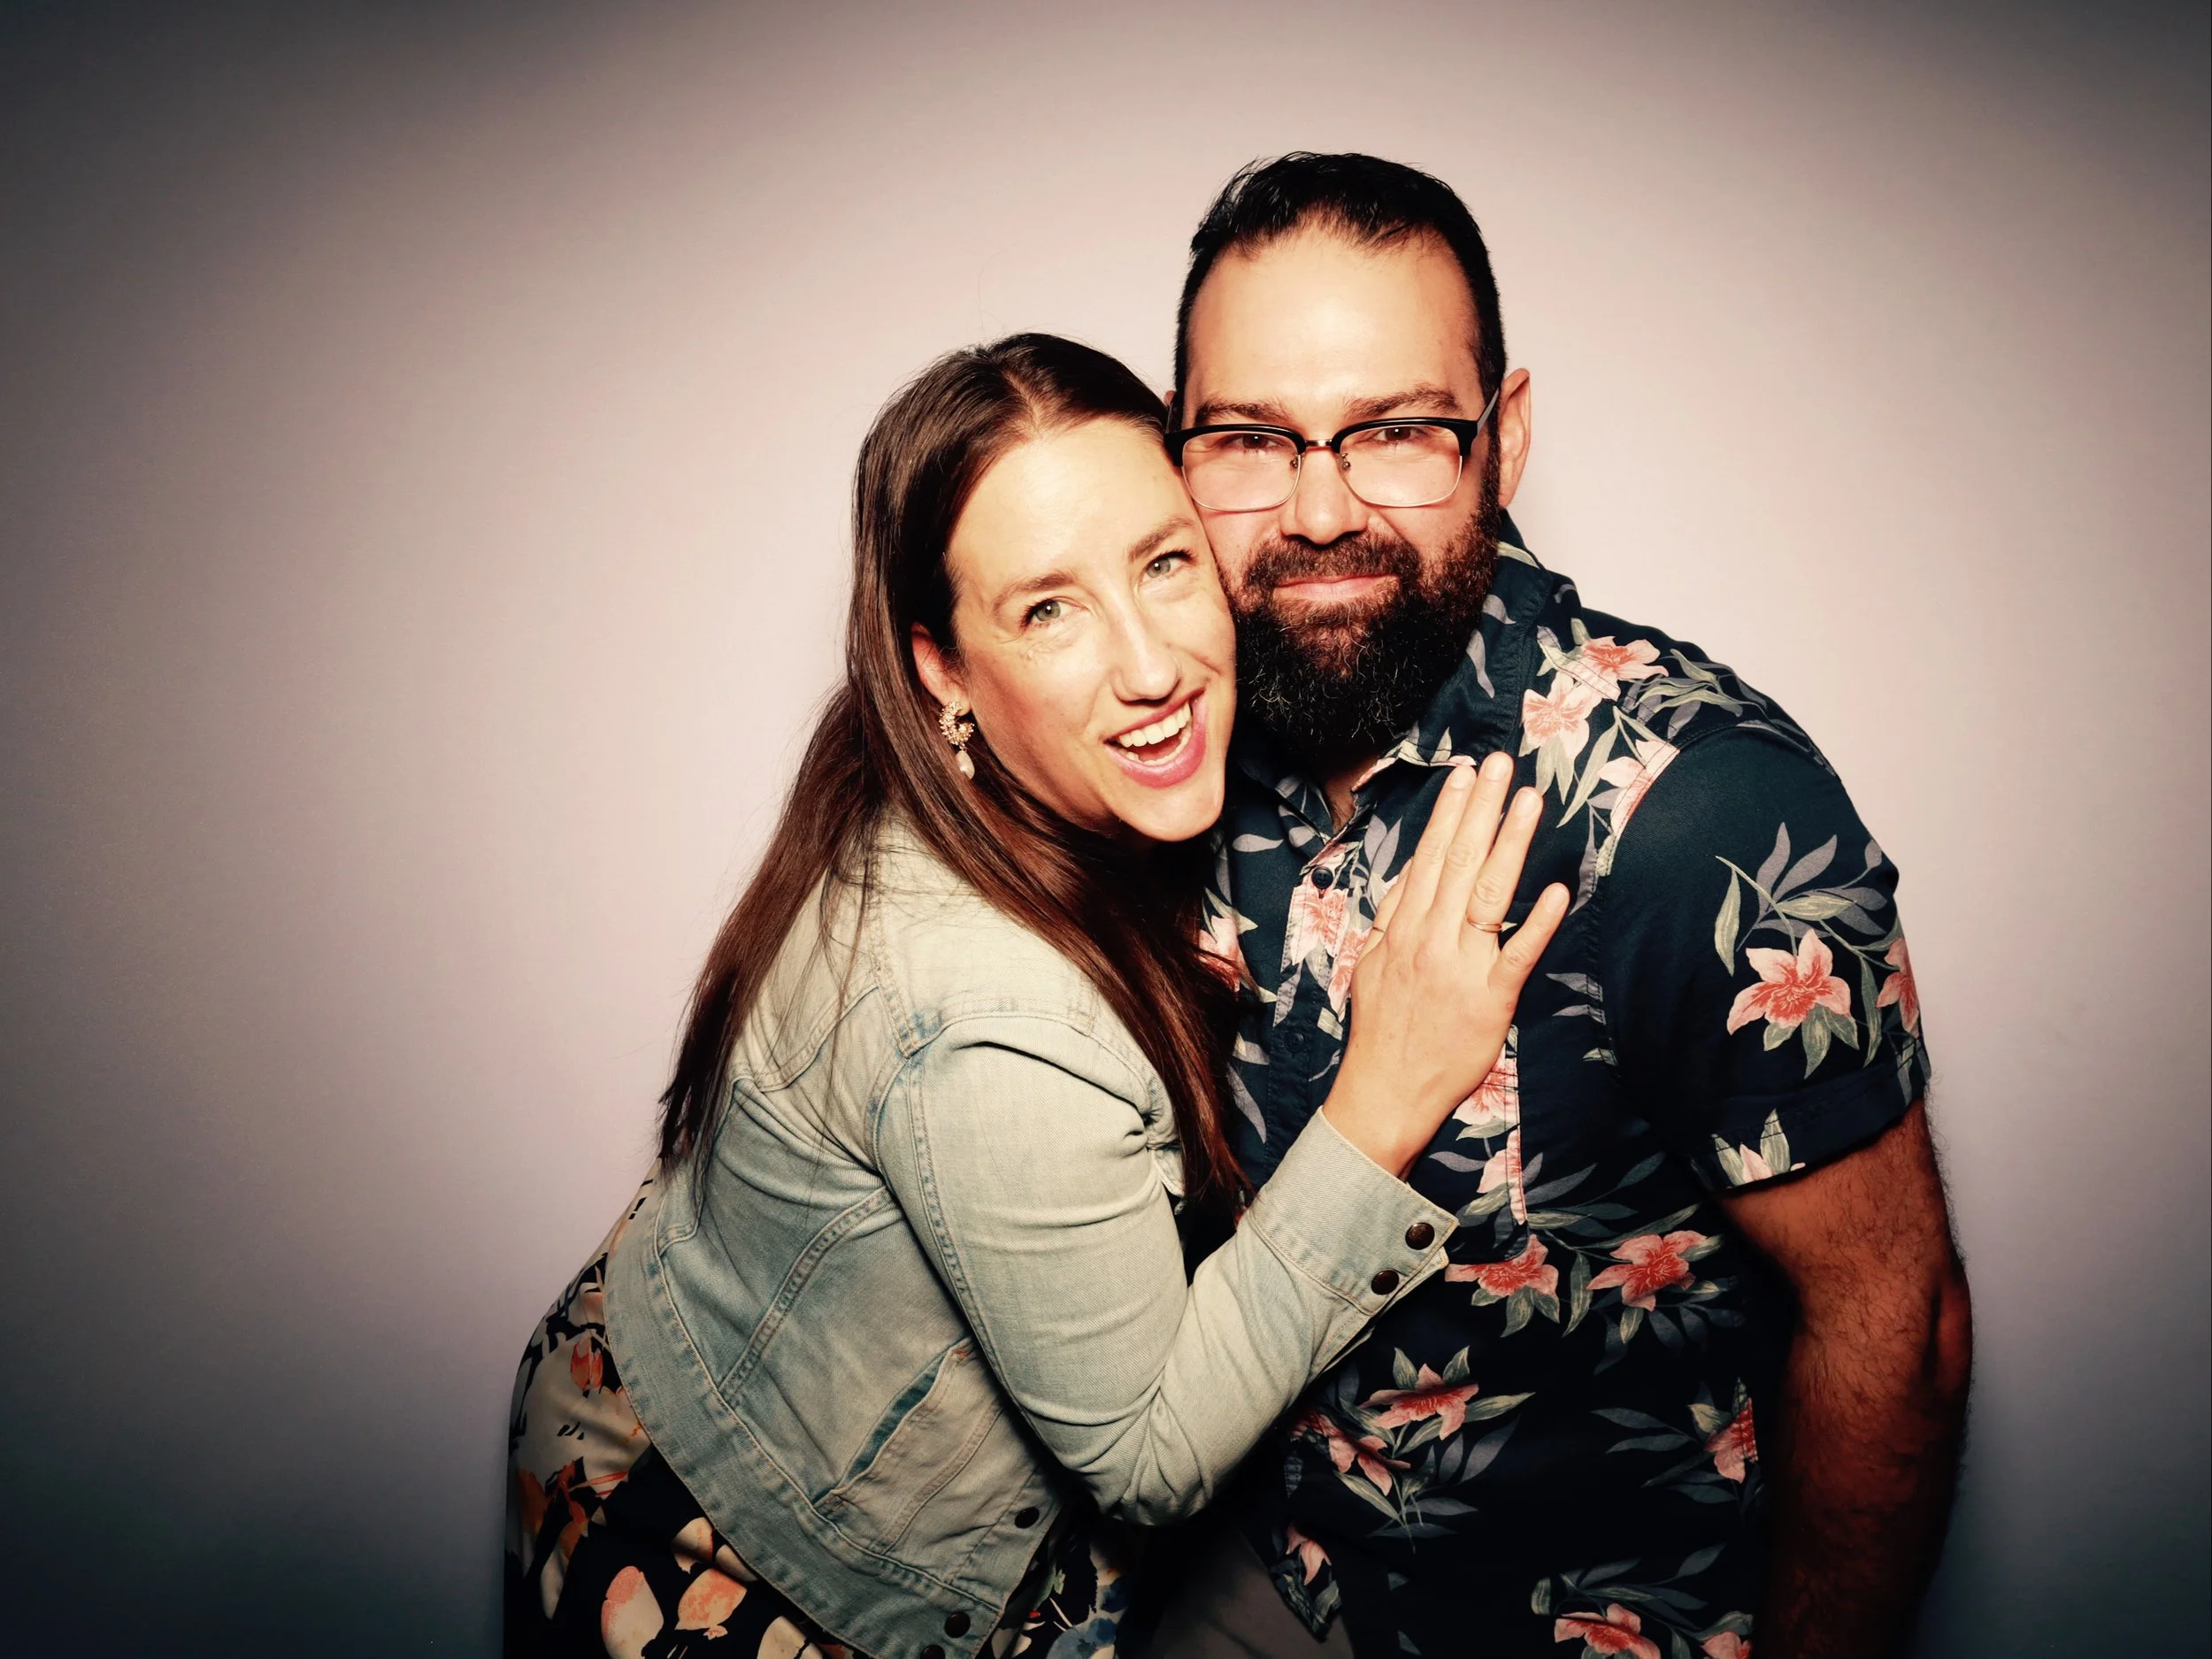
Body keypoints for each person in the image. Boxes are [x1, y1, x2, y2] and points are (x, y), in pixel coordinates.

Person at [503, 334, 1572, 1659]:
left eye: (1164, 563)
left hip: (686, 1361)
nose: (1152, 664)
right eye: (1047, 609)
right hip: (731, 1553)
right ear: (941, 667)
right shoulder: (987, 1017)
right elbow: (1146, 1453)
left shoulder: (983, 776)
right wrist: (1386, 1093)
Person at [1145, 155, 1973, 1659]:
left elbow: (1894, 1328)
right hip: (1266, 1560)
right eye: (1253, 438)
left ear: (1503, 436)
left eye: (1398, 431)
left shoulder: (1699, 812)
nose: (1318, 509)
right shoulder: (1170, 738)